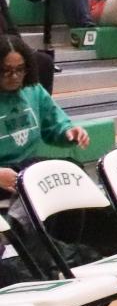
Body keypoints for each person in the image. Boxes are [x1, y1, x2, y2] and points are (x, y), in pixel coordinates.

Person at [0, 32, 91, 200]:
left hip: (26, 168)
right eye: (6, 71)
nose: (14, 76)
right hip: (3, 173)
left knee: (73, 171)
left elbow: (55, 125)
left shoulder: (33, 90)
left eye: (20, 70)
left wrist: (69, 132)